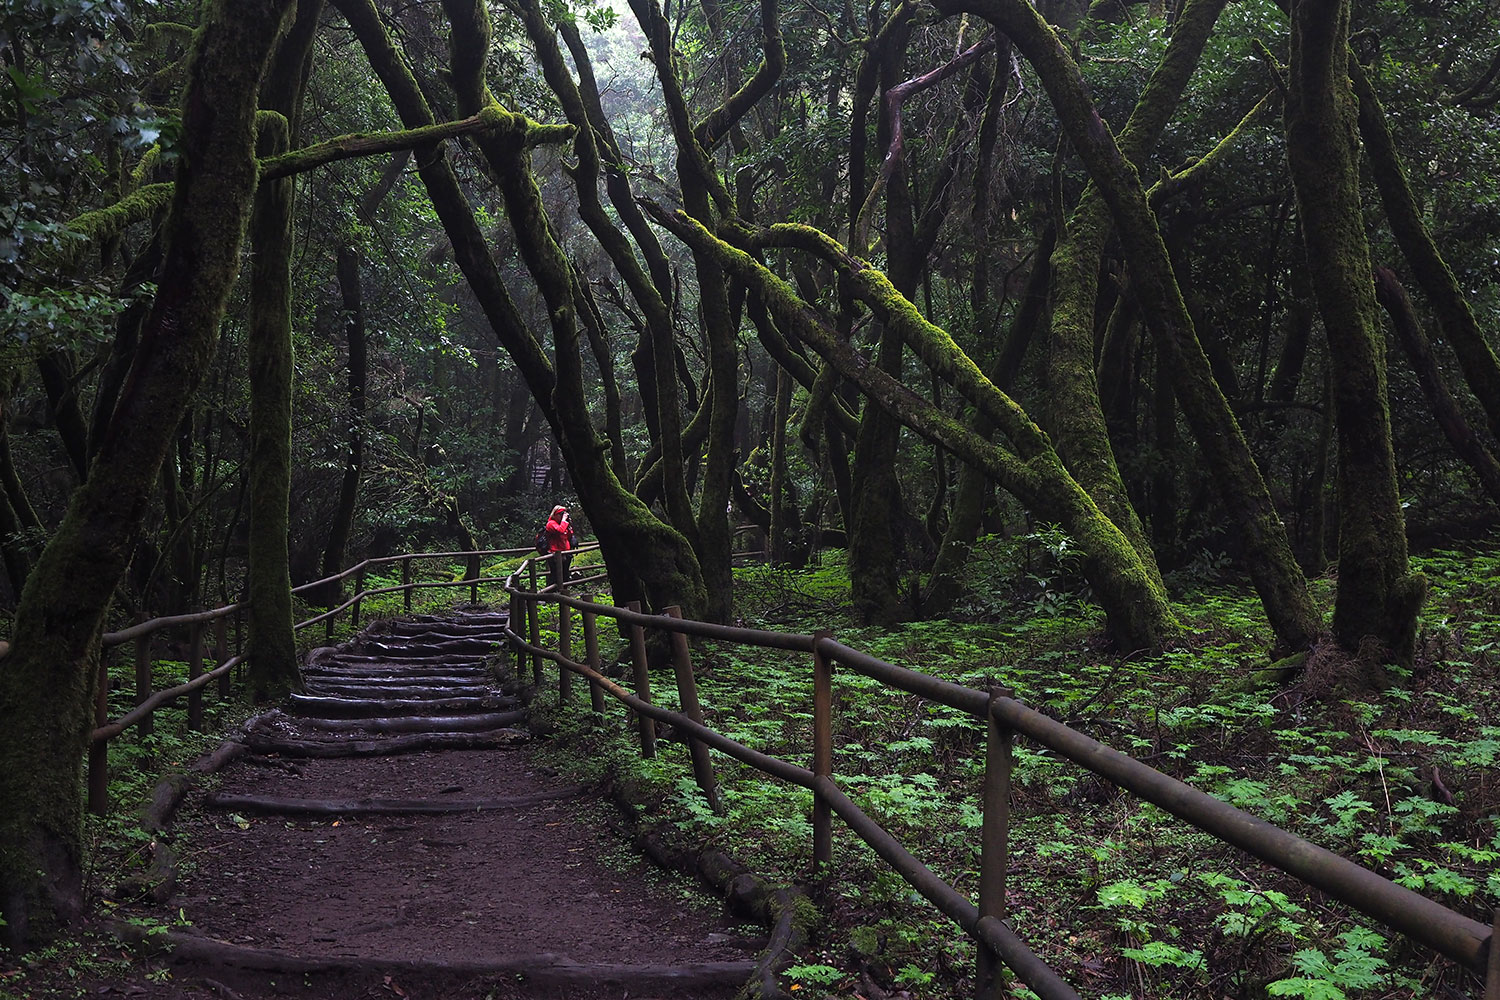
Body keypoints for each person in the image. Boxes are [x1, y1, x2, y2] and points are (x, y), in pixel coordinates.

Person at [542, 504, 575, 587]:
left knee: (565, 574)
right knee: (555, 576)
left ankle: (564, 594)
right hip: (554, 553)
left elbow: (569, 536)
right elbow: (560, 530)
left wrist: (569, 525)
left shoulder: (564, 524)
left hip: (565, 552)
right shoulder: (551, 523)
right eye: (561, 514)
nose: (562, 516)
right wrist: (564, 521)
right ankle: (551, 596)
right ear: (555, 515)